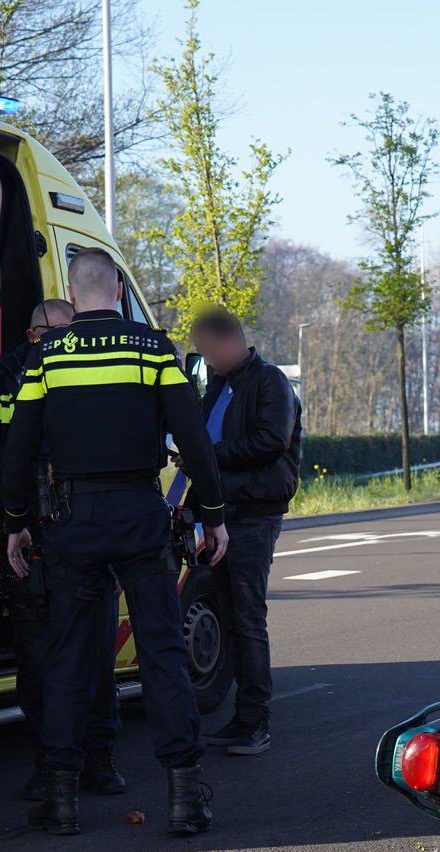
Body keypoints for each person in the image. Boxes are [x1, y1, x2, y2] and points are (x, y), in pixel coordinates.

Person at [2, 249, 229, 837]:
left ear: (73, 297)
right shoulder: (153, 349)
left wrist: (17, 523)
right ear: (119, 292)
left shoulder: (44, 356)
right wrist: (213, 515)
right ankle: (184, 796)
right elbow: (195, 442)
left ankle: (61, 797)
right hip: (139, 514)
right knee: (161, 652)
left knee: (71, 656)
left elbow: (18, 450)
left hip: (71, 521)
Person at [0, 300, 127, 803]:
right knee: (39, 659)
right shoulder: (6, 374)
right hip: (28, 534)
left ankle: (100, 759)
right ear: (34, 334)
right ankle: (50, 767)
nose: (65, 342)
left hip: (85, 532)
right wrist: (28, 471)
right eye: (56, 333)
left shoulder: (89, 368)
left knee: (99, 652)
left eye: (69, 332)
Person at [186, 308, 301, 756]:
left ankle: (255, 720)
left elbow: (271, 440)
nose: (208, 362)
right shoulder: (219, 384)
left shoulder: (269, 381)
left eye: (210, 352)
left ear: (231, 341)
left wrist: (209, 454)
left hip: (253, 513)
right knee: (231, 616)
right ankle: (242, 718)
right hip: (220, 512)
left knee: (248, 619)